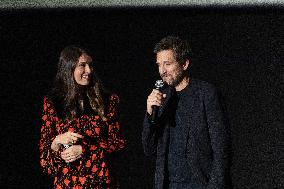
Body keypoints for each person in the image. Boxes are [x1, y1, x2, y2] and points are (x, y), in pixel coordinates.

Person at [142, 36, 230, 189]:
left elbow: (222, 150)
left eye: (167, 64)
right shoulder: (162, 97)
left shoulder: (206, 93)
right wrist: (150, 114)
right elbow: (149, 150)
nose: (162, 71)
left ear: (184, 63)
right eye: (159, 65)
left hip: (200, 184)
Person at [39, 46, 125, 189]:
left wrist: (85, 150)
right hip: (67, 184)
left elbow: (119, 145)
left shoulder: (108, 100)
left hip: (100, 184)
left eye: (90, 65)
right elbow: (45, 161)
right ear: (69, 68)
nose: (89, 71)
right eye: (82, 66)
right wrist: (56, 141)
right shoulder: (53, 102)